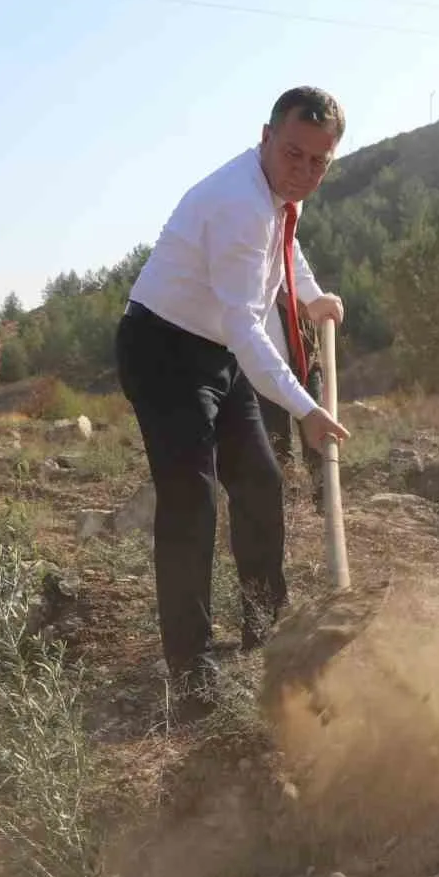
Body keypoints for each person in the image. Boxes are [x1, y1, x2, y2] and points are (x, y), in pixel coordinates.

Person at [117, 86, 351, 722]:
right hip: (163, 350)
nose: (303, 171)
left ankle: (265, 631)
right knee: (191, 500)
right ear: (267, 136)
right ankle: (190, 672)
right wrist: (305, 408)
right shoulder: (237, 204)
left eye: (318, 162)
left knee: (260, 481)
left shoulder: (274, 198)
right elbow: (249, 327)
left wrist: (310, 295)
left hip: (216, 350)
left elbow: (285, 249)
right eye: (294, 154)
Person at [257, 291, 326, 507]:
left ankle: (324, 496)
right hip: (268, 369)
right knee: (277, 438)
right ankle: (290, 503)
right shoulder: (252, 271)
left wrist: (287, 295)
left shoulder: (293, 267)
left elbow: (313, 306)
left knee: (316, 433)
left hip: (305, 363)